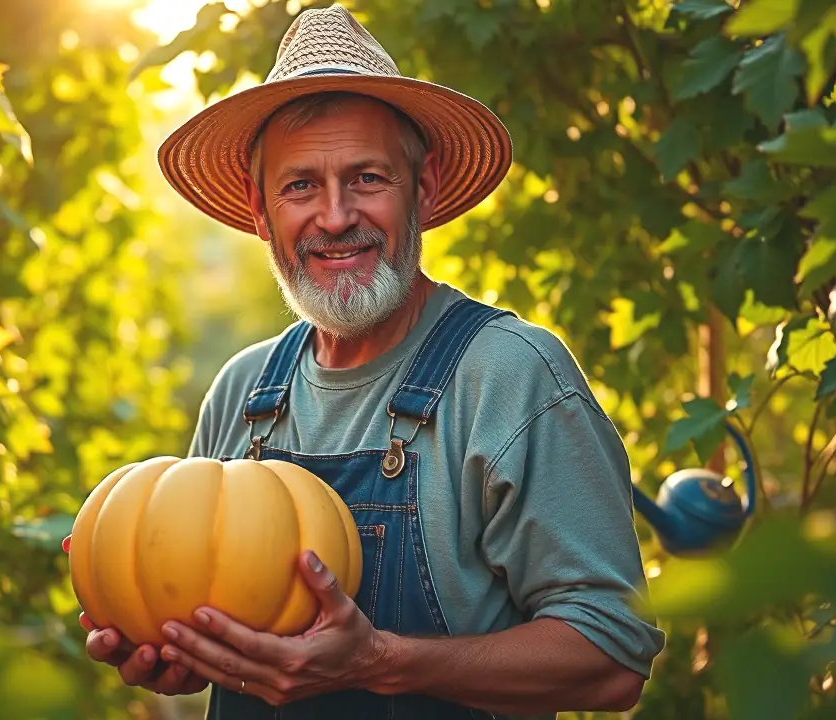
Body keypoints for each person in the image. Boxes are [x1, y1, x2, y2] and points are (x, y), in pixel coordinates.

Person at [62, 4, 666, 718]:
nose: (336, 215)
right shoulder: (244, 391)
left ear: (427, 189)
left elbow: (613, 657)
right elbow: (221, 640)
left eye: (368, 178)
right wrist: (177, 651)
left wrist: (381, 661)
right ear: (261, 213)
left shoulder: (510, 376)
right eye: (300, 186)